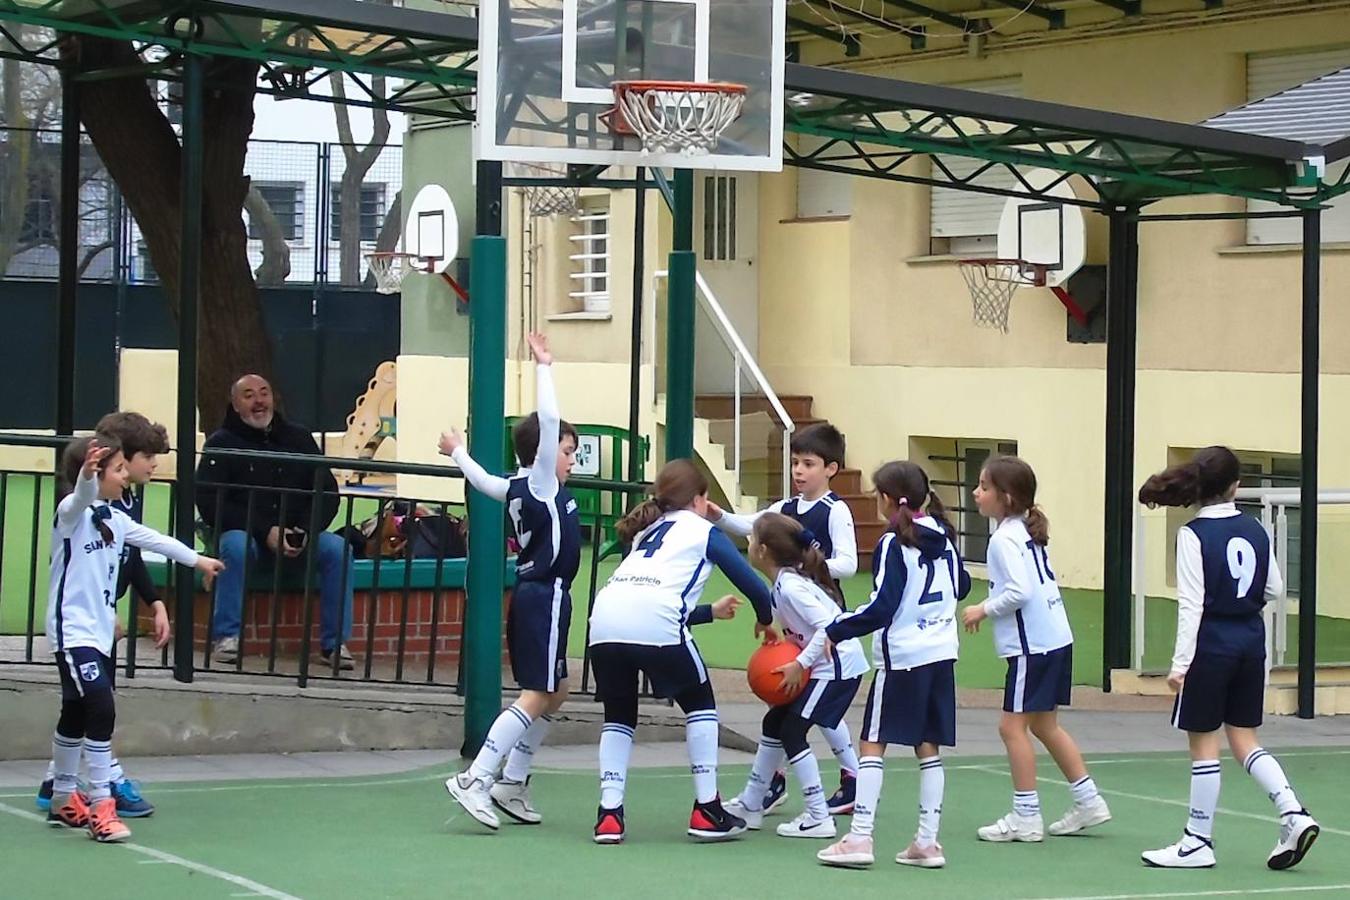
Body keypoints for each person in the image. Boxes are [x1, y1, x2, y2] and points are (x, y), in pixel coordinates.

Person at [1137, 446, 1318, 870]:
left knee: (1203, 743)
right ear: (1236, 486)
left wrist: (1179, 664)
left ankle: (1197, 840)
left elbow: (1191, 605)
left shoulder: (1193, 534)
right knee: (1245, 739)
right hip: (1251, 640)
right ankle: (1292, 812)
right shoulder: (1256, 528)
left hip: (1211, 643)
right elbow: (1273, 588)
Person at [45, 435, 222, 842]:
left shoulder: (115, 519)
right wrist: (87, 477)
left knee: (75, 711)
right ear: (94, 474)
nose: (126, 476)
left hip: (99, 632)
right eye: (119, 469)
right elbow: (79, 496)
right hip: (73, 632)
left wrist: (198, 561)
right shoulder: (70, 514)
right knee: (100, 707)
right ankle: (101, 805)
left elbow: (154, 540)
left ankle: (62, 797)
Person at [587, 459, 774, 844]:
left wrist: (708, 612)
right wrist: (766, 618)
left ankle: (609, 814)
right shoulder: (703, 531)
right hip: (655, 624)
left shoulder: (645, 530)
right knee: (700, 705)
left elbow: (643, 598)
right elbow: (753, 585)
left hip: (603, 623)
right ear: (699, 499)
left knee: (618, 717)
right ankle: (707, 809)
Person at [441, 332, 581, 830]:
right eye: (567, 449)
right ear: (544, 451)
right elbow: (546, 423)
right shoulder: (541, 482)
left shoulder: (515, 485)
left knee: (557, 689)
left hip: (544, 596)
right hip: (543, 595)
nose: (570, 458)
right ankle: (476, 777)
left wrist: (457, 451)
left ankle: (512, 781)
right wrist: (544, 367)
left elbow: (480, 481)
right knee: (536, 693)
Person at [816, 461, 967, 869]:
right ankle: (927, 842)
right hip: (941, 653)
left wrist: (837, 629)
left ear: (887, 499)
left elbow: (883, 605)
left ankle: (860, 837)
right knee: (927, 746)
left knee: (873, 742)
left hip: (903, 656)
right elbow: (962, 585)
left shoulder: (892, 543)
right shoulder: (945, 537)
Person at [707, 422, 861, 815]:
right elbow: (753, 526)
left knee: (813, 710)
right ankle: (775, 784)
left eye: (807, 463)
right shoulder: (785, 509)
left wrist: (808, 566)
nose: (798, 470)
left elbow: (850, 562)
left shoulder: (835, 510)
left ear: (830, 469)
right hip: (797, 619)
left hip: (821, 610)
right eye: (795, 462)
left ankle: (847, 779)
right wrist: (720, 514)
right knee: (800, 707)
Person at [961, 455, 1110, 843]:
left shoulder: (1004, 539)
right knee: (1044, 725)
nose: (976, 493)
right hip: (1056, 639)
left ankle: (1026, 815)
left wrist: (982, 609)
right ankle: (1088, 800)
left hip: (1035, 647)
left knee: (1011, 727)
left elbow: (1018, 592)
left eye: (984, 487)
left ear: (1006, 497)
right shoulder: (1023, 531)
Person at [36, 411, 172, 818]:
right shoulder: (86, 500)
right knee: (96, 703)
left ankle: (55, 782)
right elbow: (77, 560)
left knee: (87, 705)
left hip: (100, 614)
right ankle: (104, 784)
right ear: (122, 459)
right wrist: (105, 605)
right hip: (84, 620)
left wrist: (155, 601)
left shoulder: (124, 500)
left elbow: (131, 555)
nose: (153, 464)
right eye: (147, 454)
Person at [724, 512, 868, 841]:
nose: (748, 544)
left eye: (751, 539)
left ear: (762, 551)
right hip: (823, 666)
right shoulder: (784, 583)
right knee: (774, 724)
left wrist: (799, 663)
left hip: (837, 669)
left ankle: (818, 816)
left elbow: (828, 628)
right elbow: (802, 627)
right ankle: (752, 802)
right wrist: (778, 636)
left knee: (792, 731)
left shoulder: (791, 587)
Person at [196, 374, 354, 669]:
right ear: (235, 403)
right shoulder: (221, 443)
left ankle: (335, 645)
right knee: (234, 545)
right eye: (249, 395)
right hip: (249, 537)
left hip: (299, 534)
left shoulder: (299, 438)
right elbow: (210, 502)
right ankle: (227, 637)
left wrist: (305, 530)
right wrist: (265, 531)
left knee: (338, 549)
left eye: (264, 393)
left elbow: (326, 491)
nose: (259, 401)